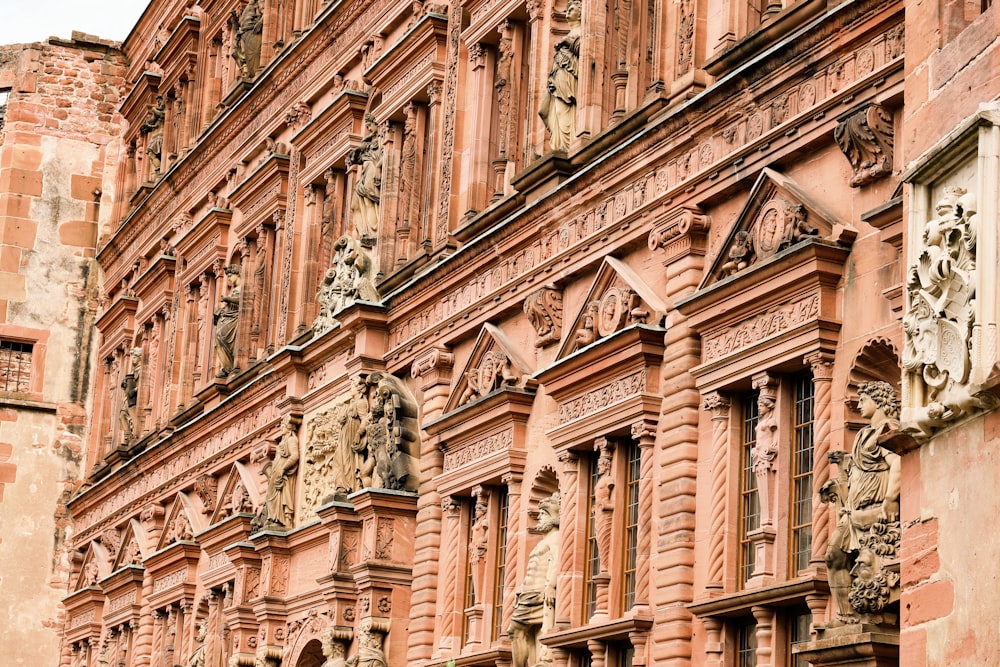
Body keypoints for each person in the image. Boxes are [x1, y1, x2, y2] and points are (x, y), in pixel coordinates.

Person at [823, 380, 901, 625]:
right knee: (832, 557)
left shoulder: (887, 428)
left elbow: (898, 462)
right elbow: (861, 468)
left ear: (879, 401)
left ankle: (868, 611)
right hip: (852, 513)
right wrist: (844, 462)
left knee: (868, 567)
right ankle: (846, 615)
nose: (858, 404)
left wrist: (890, 501)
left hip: (874, 513)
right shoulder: (863, 433)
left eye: (863, 399)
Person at [509, 493, 560, 667]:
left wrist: (552, 586)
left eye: (543, 514)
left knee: (515, 631)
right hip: (528, 595)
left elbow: (556, 562)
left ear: (554, 518)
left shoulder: (556, 538)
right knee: (525, 633)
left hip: (539, 594)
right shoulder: (543, 541)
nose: (539, 518)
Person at [539, 0, 581, 152]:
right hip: (558, 78)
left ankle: (567, 144)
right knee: (548, 110)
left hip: (569, 79)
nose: (568, 11)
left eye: (572, 9)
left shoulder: (582, 31)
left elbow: (585, 50)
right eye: (567, 9)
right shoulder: (570, 33)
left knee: (565, 110)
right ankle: (558, 144)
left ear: (581, 13)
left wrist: (570, 42)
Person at [261, 415, 300, 529]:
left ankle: (285, 520)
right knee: (269, 495)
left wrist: (283, 468)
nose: (282, 427)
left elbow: (295, 456)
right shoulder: (284, 440)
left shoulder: (292, 439)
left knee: (284, 496)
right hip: (276, 472)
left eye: (284, 425)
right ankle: (274, 519)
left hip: (283, 473)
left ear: (289, 427)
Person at [348, 115, 383, 241]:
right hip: (365, 171)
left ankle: (373, 232)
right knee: (354, 205)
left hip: (373, 169)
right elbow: (359, 155)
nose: (367, 128)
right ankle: (364, 232)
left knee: (369, 199)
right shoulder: (369, 140)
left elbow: (387, 152)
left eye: (369, 125)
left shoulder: (382, 137)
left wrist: (378, 167)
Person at [213, 265, 241, 377]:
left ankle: (231, 365)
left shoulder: (242, 287)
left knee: (222, 335)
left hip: (234, 318)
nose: (229, 279)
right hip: (228, 316)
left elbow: (244, 300)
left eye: (230, 276)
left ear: (237, 274)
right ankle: (227, 366)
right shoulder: (234, 289)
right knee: (219, 338)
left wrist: (227, 299)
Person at [118, 347, 142, 442]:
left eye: (135, 356)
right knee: (122, 415)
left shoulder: (141, 369)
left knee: (132, 415)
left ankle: (134, 434)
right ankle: (128, 436)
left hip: (133, 399)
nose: (133, 359)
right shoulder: (133, 371)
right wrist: (124, 385)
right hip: (128, 398)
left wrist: (135, 390)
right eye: (132, 356)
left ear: (140, 357)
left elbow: (143, 384)